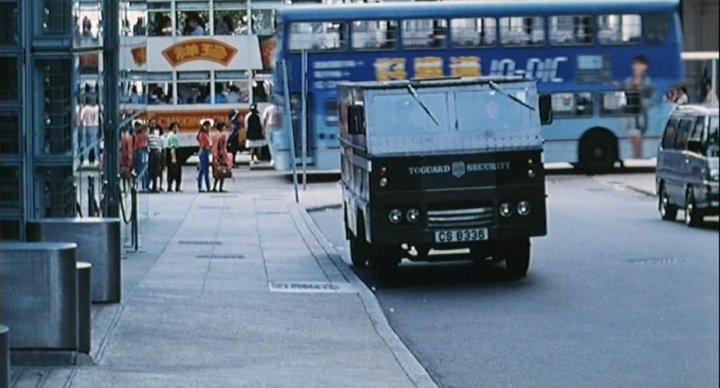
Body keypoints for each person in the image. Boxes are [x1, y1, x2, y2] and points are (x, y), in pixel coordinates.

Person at [620, 55, 656, 159]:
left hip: (641, 111)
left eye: (640, 65)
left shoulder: (648, 81)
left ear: (645, 67)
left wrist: (645, 103)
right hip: (630, 111)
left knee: (639, 135)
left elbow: (653, 96)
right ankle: (635, 155)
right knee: (632, 136)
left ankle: (638, 156)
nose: (637, 67)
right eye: (635, 65)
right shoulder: (628, 81)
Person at [79, 95, 100, 165]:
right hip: (95, 126)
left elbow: (81, 118)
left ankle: (86, 159)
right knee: (95, 143)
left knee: (86, 144)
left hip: (86, 126)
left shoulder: (85, 108)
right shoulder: (97, 108)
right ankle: (96, 159)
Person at [211, 121, 231, 192]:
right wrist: (225, 157)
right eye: (224, 126)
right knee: (222, 172)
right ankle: (220, 188)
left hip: (215, 156)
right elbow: (222, 148)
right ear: (222, 127)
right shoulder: (222, 136)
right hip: (220, 156)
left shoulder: (214, 135)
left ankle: (214, 187)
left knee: (217, 172)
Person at [165, 122, 182, 192]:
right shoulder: (173, 136)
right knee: (176, 172)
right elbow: (173, 148)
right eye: (176, 127)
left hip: (169, 156)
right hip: (174, 155)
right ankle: (176, 187)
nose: (177, 129)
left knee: (170, 172)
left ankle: (169, 187)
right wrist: (174, 158)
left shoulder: (169, 135)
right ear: (173, 128)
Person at [147, 120, 163, 192]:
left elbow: (159, 141)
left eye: (154, 123)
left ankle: (155, 186)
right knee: (150, 170)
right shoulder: (147, 132)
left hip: (156, 151)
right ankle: (147, 186)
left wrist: (159, 150)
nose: (153, 125)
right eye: (151, 123)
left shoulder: (157, 132)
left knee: (156, 170)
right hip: (150, 152)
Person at [196, 120, 212, 192]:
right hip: (204, 152)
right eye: (208, 126)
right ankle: (208, 187)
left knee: (202, 170)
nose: (209, 128)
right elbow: (205, 145)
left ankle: (200, 186)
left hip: (203, 152)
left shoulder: (203, 134)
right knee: (205, 171)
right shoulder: (203, 135)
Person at [133, 124, 149, 192]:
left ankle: (143, 186)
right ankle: (144, 186)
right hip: (144, 152)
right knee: (144, 169)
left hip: (140, 151)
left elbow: (137, 145)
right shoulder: (144, 136)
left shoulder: (140, 136)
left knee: (141, 170)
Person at [120, 126, 135, 193]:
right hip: (127, 156)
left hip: (126, 156)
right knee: (126, 173)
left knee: (125, 173)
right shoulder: (130, 137)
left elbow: (127, 147)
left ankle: (127, 187)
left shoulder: (126, 137)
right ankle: (128, 187)